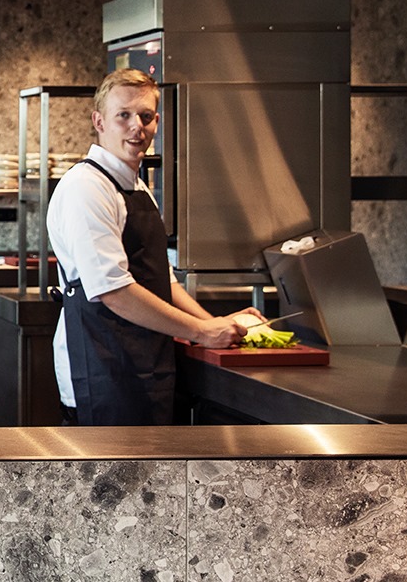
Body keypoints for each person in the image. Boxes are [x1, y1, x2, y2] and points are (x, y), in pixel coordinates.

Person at [47, 68, 258, 425]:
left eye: (145, 117)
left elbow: (162, 280)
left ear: (157, 122)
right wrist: (200, 332)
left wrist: (216, 325)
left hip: (144, 363)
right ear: (99, 121)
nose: (137, 127)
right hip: (102, 369)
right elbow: (113, 291)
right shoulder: (86, 187)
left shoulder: (137, 188)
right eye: (123, 115)